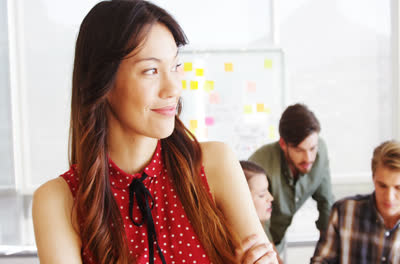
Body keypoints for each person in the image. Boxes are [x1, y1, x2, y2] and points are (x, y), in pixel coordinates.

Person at [31, 1, 278, 263]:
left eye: (175, 66)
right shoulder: (58, 200)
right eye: (151, 70)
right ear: (103, 82)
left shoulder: (214, 164)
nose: (173, 88)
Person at [311, 140, 400, 264]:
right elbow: (321, 260)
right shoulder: (343, 213)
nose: (389, 197)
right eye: (382, 185)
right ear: (373, 178)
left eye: (398, 188)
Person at [249, 103, 334, 251]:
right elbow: (259, 227)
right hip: (258, 244)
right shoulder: (260, 165)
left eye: (312, 148)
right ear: (283, 144)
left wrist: (327, 254)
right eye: (299, 150)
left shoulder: (320, 152)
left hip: (278, 242)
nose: (308, 158)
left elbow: (326, 203)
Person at [240, 161, 283, 264]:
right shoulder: (246, 245)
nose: (271, 198)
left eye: (268, 190)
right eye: (262, 195)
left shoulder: (261, 235)